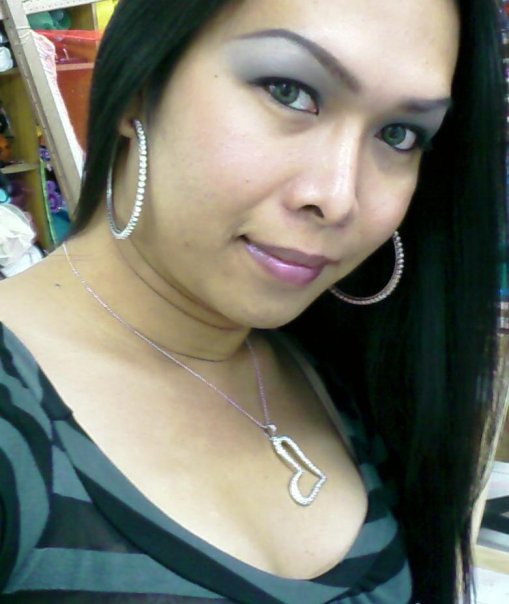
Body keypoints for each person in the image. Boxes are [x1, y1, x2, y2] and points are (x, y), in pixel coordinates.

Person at [0, 0, 506, 602]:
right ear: (140, 85)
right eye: (290, 92)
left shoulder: (348, 374)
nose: (338, 197)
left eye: (398, 134)